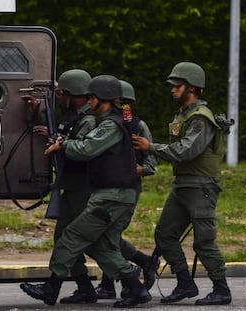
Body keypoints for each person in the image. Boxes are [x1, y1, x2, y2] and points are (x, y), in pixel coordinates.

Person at [19, 74, 151, 308]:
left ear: (105, 99)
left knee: (72, 236)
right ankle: (137, 287)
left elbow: (87, 148)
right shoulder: (110, 121)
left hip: (112, 195)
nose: (89, 102)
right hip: (112, 193)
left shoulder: (111, 124)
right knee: (100, 245)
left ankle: (53, 287)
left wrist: (63, 144)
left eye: (92, 97)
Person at [133, 61, 232, 305]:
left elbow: (186, 151)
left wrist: (151, 147)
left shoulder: (201, 118)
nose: (172, 89)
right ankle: (185, 283)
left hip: (201, 186)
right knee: (164, 234)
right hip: (183, 185)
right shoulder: (183, 115)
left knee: (204, 240)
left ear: (192, 88)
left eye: (177, 85)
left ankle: (222, 289)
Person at [94, 80, 159, 300]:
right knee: (107, 234)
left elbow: (151, 162)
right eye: (119, 103)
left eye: (126, 104)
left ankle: (121, 277)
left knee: (109, 235)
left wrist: (138, 169)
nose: (124, 108)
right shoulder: (104, 122)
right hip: (105, 186)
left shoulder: (137, 126)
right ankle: (142, 264)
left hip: (127, 187)